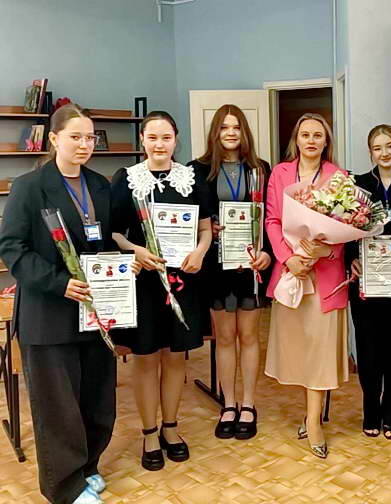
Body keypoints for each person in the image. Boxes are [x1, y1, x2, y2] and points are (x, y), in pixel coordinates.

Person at [0, 104, 137, 504]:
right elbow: (13, 248)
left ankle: (87, 467)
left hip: (95, 313)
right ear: (54, 138)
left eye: (90, 137)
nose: (84, 144)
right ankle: (64, 487)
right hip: (49, 313)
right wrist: (59, 283)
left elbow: (105, 241)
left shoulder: (99, 185)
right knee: (57, 407)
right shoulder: (30, 187)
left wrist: (124, 264)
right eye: (75, 136)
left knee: (97, 399)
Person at [110, 111, 212, 471]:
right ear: (142, 140)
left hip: (183, 282)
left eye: (166, 137)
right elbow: (113, 232)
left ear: (176, 139)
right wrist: (134, 250)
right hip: (143, 282)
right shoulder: (126, 179)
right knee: (146, 358)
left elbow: (205, 229)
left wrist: (199, 253)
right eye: (152, 137)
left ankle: (171, 427)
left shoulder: (191, 179)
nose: (159, 144)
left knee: (175, 358)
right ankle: (149, 432)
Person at [264, 113, 348, 458]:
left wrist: (326, 250)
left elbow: (349, 225)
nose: (311, 140)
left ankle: (314, 421)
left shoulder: (338, 177)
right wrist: (289, 258)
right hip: (292, 273)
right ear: (296, 140)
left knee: (321, 350)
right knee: (300, 348)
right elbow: (272, 220)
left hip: (325, 274)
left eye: (317, 135)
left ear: (326, 141)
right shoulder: (280, 173)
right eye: (305, 135)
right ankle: (308, 412)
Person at [188, 104, 272, 440]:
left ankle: (248, 404)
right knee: (224, 338)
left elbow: (271, 218)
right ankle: (229, 404)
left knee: (249, 337)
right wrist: (205, 228)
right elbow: (188, 217)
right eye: (224, 127)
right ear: (215, 132)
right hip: (216, 265)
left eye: (236, 127)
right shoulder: (197, 170)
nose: (231, 133)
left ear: (244, 131)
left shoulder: (260, 169)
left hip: (250, 264)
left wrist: (267, 252)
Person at [347, 124, 391, 439]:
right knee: (368, 348)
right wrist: (352, 259)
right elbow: (343, 230)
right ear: (370, 153)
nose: (384, 153)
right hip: (365, 280)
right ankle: (371, 411)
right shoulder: (357, 185)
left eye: (390, 146)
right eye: (377, 148)